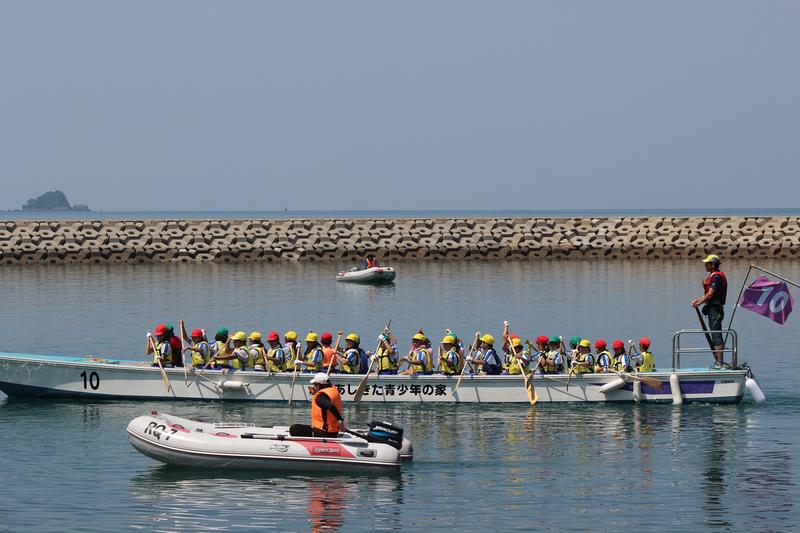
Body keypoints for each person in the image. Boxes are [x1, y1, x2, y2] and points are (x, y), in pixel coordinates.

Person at [691, 254, 728, 367]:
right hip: (712, 309)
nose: (705, 265)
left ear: (713, 265)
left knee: (716, 335)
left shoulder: (716, 277)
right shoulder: (713, 276)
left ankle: (720, 363)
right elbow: (708, 294)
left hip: (715, 310)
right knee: (714, 334)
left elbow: (710, 294)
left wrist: (699, 303)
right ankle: (718, 362)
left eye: (707, 263)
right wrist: (698, 300)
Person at [289, 373, 346, 438]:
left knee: (293, 429)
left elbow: (330, 406)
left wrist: (340, 422)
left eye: (315, 385)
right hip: (333, 431)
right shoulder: (333, 391)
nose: (314, 387)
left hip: (323, 432)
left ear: (320, 385)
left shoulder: (320, 397)